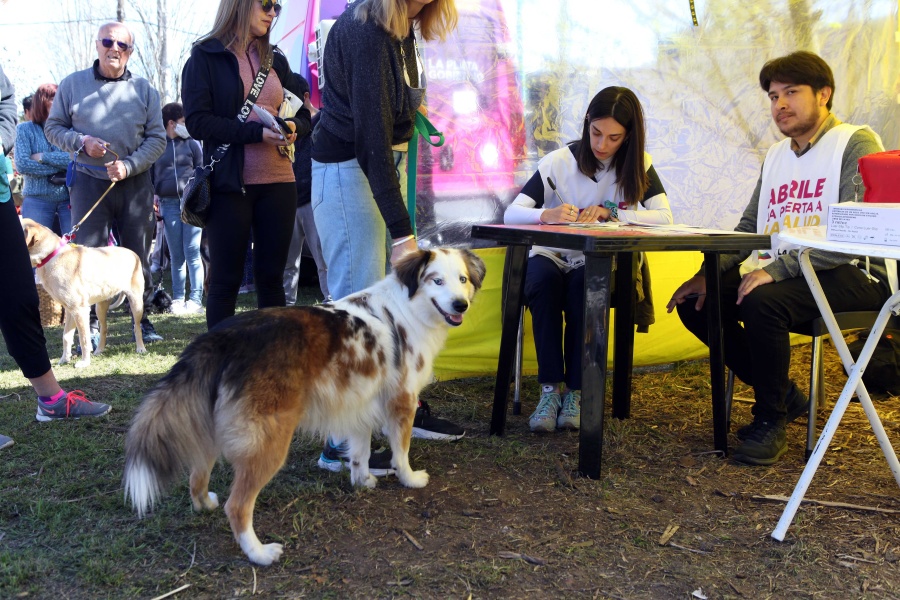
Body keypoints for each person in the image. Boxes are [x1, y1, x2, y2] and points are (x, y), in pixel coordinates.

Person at [667, 51, 888, 466]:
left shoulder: (854, 142)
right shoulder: (776, 156)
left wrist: (776, 270)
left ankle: (770, 419)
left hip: (854, 273)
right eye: (773, 96)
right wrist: (708, 272)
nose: (780, 104)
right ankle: (784, 393)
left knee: (762, 300)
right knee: (698, 301)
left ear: (823, 94)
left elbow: (856, 235)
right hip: (787, 271)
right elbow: (750, 226)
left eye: (791, 92)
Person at [311, 0, 464, 473]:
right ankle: (339, 443)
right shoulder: (366, 31)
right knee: (356, 311)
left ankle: (396, 408)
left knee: (391, 310)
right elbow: (370, 140)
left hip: (379, 166)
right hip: (351, 170)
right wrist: (403, 233)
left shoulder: (403, 27)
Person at [504, 86, 673, 433]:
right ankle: (550, 391)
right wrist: (546, 215)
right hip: (550, 253)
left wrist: (613, 213)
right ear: (586, 123)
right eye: (596, 133)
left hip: (593, 259)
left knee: (586, 287)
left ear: (629, 136)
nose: (602, 145)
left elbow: (665, 217)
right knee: (542, 284)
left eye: (614, 137)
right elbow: (511, 213)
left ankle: (576, 393)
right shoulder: (558, 162)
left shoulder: (638, 164)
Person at [0, 64, 111, 452]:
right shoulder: (33, 130)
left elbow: (5, 104)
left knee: (20, 298)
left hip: (1, 198)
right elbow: (31, 161)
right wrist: (52, 158)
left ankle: (50, 400)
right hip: (34, 202)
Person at [181, 0, 311, 330]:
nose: (273, 12)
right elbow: (197, 122)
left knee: (272, 279)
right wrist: (255, 133)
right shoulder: (205, 56)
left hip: (280, 181)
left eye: (277, 7)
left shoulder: (275, 58)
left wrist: (293, 127)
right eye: (265, 4)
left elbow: (303, 112)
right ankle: (219, 358)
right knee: (226, 281)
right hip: (229, 184)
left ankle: (273, 357)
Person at [45, 22, 167, 344]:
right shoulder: (72, 85)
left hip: (135, 184)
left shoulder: (145, 90)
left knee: (137, 256)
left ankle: (141, 321)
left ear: (131, 52)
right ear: (97, 45)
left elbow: (157, 139)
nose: (115, 49)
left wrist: (129, 165)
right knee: (86, 259)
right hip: (87, 182)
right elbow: (53, 128)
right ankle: (91, 326)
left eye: (122, 45)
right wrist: (81, 142)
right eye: (108, 42)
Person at [151, 102, 205, 314]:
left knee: (192, 251)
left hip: (191, 203)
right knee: (176, 254)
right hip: (169, 204)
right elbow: (151, 176)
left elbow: (202, 170)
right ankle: (178, 299)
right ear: (171, 123)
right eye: (183, 121)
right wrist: (154, 197)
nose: (187, 125)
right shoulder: (157, 146)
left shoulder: (193, 144)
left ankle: (196, 300)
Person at [283, 74, 329, 303]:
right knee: (287, 262)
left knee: (324, 259)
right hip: (288, 201)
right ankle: (285, 306)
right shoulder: (283, 126)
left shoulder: (323, 123)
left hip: (315, 202)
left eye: (288, 99)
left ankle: (332, 301)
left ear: (305, 97)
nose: (285, 105)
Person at [15, 84, 71, 236]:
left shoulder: (71, 129)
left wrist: (42, 157)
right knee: (35, 247)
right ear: (42, 102)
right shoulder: (24, 129)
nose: (60, 101)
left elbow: (74, 159)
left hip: (69, 200)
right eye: (54, 98)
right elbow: (23, 165)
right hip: (36, 200)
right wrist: (61, 165)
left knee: (74, 247)